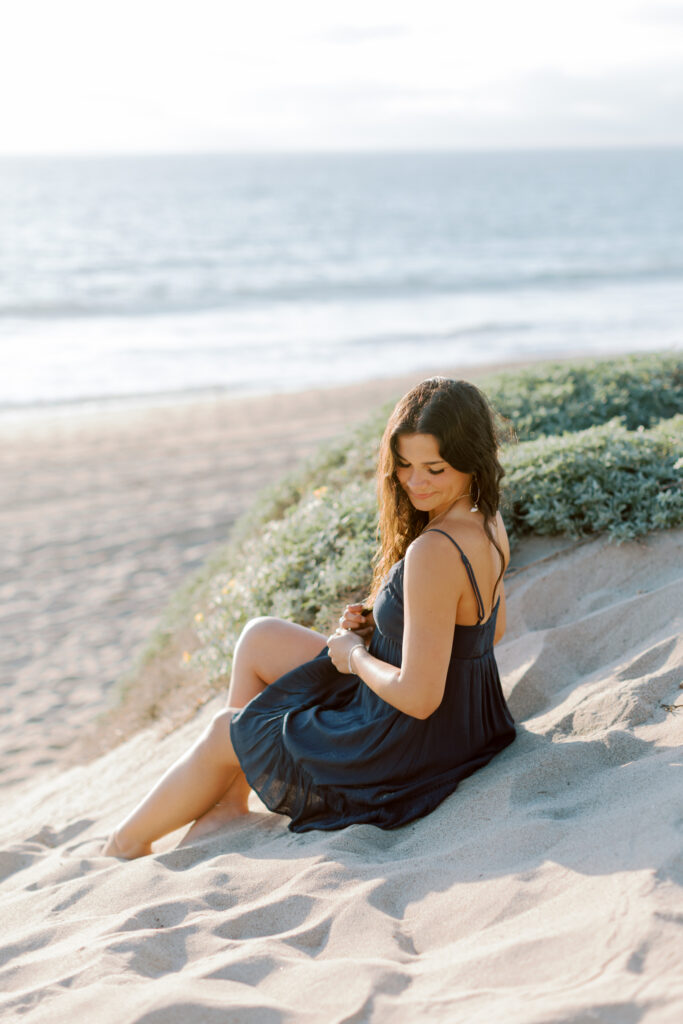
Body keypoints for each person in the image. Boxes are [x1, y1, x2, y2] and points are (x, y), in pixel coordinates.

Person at [103, 377, 516, 858]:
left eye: (434, 468)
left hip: (410, 744)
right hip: (465, 722)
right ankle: (229, 801)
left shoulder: (434, 549)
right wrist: (388, 626)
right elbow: (491, 630)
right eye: (404, 465)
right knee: (259, 638)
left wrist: (354, 655)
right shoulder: (486, 519)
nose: (415, 482)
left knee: (224, 729)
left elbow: (420, 699)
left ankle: (124, 844)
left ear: (471, 459)